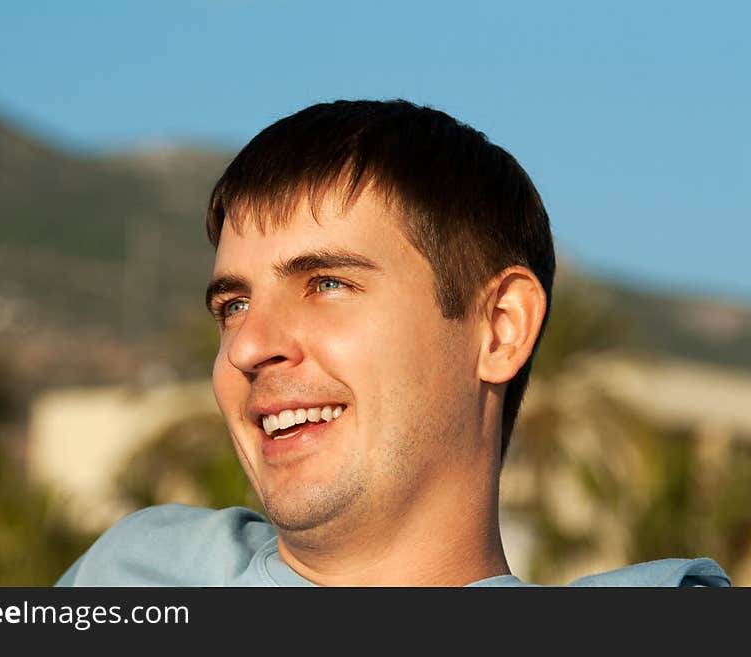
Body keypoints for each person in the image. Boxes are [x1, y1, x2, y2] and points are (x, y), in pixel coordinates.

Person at [56, 99, 730, 587]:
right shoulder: (135, 576)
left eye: (326, 283)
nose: (246, 346)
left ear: (499, 328)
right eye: (233, 304)